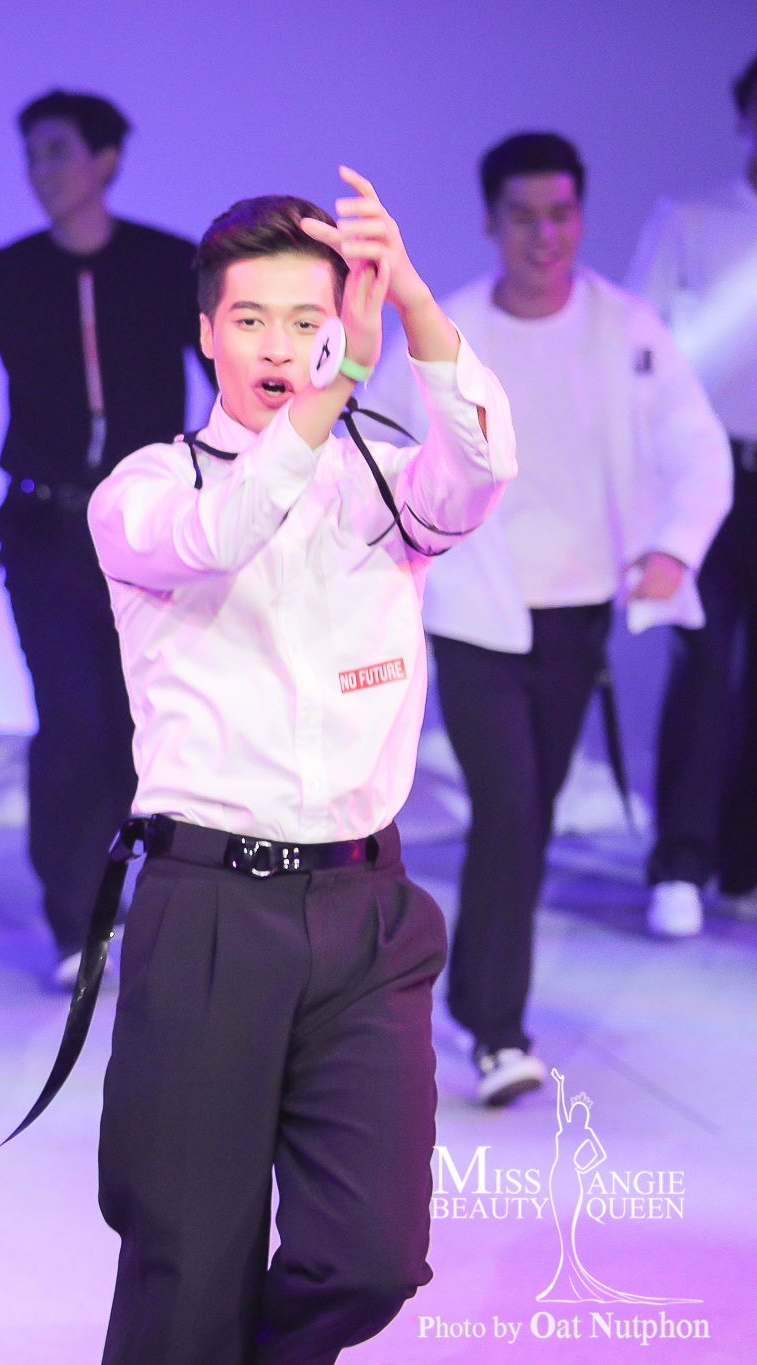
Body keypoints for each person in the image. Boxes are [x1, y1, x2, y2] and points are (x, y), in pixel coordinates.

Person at [87, 176, 515, 1362]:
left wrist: (413, 300)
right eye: (249, 320)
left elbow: (481, 469)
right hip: (208, 910)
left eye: (305, 321)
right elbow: (225, 531)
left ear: (343, 323)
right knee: (185, 1274)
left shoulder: (381, 475)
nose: (278, 348)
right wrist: (332, 392)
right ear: (204, 334)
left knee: (368, 1259)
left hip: (365, 909)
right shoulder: (148, 488)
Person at [370, 134, 728, 1108]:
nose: (544, 234)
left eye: (560, 213)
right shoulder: (448, 332)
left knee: (523, 818)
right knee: (512, 808)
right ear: (491, 222)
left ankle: (478, 1005)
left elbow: (699, 452)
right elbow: (382, 449)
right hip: (472, 613)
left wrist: (673, 547)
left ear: (580, 217)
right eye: (522, 216)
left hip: (575, 616)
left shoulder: (625, 328)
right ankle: (497, 1029)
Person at [0, 91, 204, 985]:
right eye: (33, 154)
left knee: (145, 721)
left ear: (106, 161)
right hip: (46, 527)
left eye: (59, 151)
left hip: (149, 532)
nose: (42, 170)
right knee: (69, 718)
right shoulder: (6, 274)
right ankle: (76, 921)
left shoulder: (169, 265)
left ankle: (149, 900)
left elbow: (234, 374)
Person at [629, 55, 757, 930]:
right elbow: (636, 345)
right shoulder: (692, 219)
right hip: (712, 471)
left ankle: (744, 862)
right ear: (745, 119)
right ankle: (681, 860)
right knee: (704, 665)